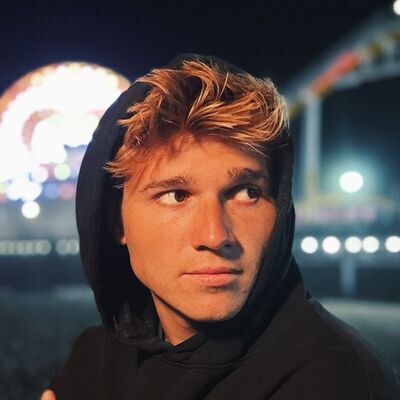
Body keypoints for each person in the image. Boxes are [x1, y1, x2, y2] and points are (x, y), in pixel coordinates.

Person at [41, 54, 400, 400]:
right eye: (176, 196)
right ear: (116, 222)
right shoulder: (93, 359)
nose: (215, 236)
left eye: (246, 193)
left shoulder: (336, 377)